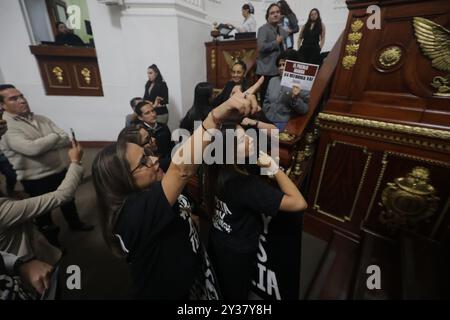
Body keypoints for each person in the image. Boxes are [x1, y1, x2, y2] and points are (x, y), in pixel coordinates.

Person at [92, 77, 264, 299]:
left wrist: (224, 121)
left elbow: (181, 152)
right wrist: (215, 117)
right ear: (122, 181)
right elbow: (181, 169)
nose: (153, 160)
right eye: (143, 162)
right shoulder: (131, 214)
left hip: (195, 274)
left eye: (147, 154)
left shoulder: (153, 178)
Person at [204, 123, 307, 300]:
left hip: (217, 238)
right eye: (244, 139)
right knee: (236, 291)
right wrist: (274, 168)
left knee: (221, 283)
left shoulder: (212, 166)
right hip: (238, 250)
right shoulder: (246, 185)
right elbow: (299, 203)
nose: (251, 139)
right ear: (230, 151)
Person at [0, 84, 93, 248]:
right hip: (35, 178)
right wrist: (53, 137)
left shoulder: (41, 118)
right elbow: (31, 149)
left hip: (58, 168)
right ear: (2, 105)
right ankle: (52, 244)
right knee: (43, 212)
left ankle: (75, 223)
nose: (22, 100)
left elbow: (65, 138)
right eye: (14, 98)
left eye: (22, 96)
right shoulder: (6, 126)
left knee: (68, 199)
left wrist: (48, 141)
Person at [263, 53, 309, 130]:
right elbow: (266, 101)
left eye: (284, 65)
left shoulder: (301, 84)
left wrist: (296, 98)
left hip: (286, 124)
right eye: (279, 65)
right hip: (267, 120)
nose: (281, 68)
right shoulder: (273, 80)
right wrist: (266, 113)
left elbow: (304, 110)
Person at [256, 3, 288, 105]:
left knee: (276, 96)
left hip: (279, 69)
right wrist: (276, 42)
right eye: (272, 13)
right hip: (267, 71)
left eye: (278, 12)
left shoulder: (281, 30)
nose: (275, 15)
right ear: (268, 16)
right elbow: (261, 47)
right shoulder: (263, 29)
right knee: (266, 98)